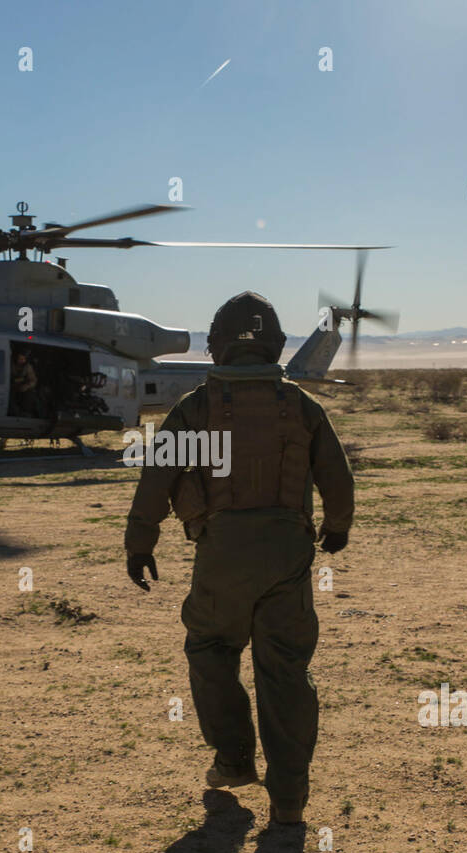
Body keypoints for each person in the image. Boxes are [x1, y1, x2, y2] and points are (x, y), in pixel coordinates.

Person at [124, 291, 354, 824]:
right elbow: (337, 479)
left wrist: (140, 544)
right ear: (275, 344)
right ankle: (290, 800)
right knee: (286, 672)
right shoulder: (302, 406)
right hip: (289, 555)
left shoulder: (193, 410)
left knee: (210, 650)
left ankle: (232, 761)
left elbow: (156, 481)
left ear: (217, 347)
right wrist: (336, 528)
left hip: (221, 555)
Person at [11, 349, 39, 417]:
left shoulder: (28, 367)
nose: (22, 360)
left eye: (23, 359)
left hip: (23, 389)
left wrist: (26, 386)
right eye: (20, 359)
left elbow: (33, 380)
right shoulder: (10, 365)